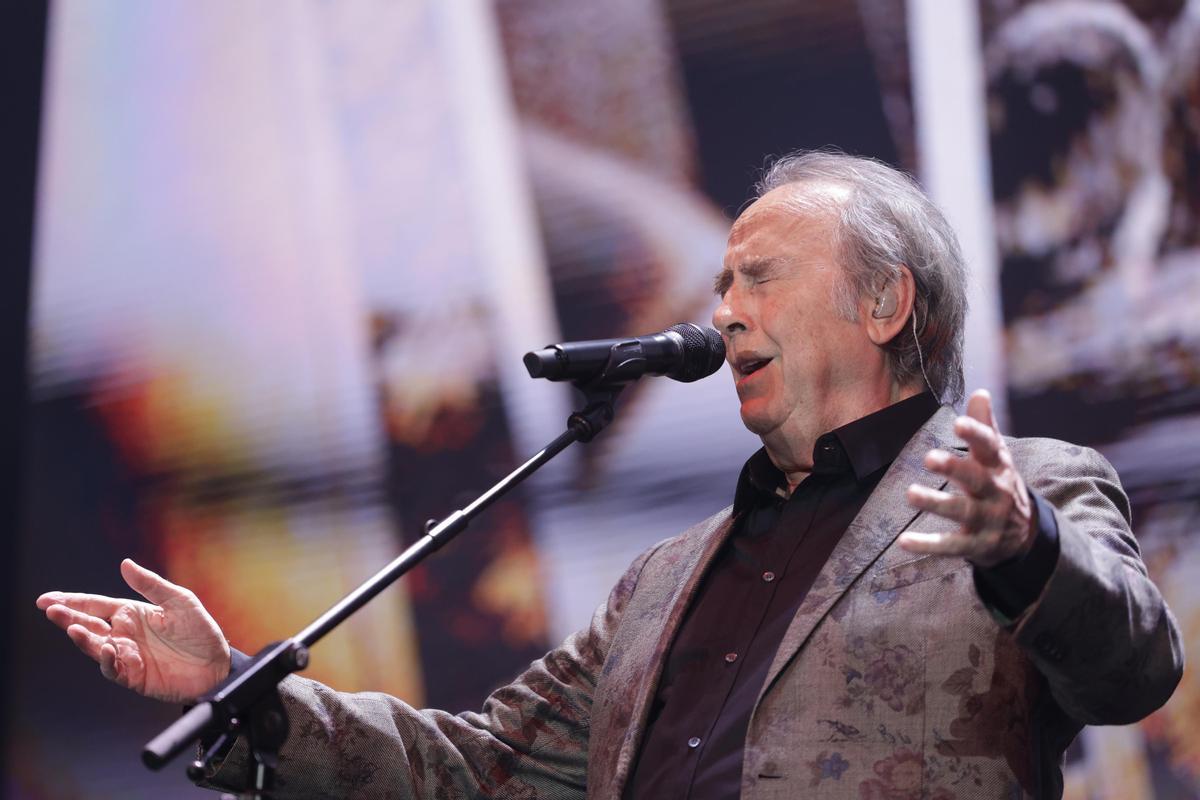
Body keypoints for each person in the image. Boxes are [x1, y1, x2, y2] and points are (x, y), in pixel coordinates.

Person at [38, 151, 1183, 799]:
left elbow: (1132, 667)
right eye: (721, 280)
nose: (723, 307)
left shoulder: (1030, 486)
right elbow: (476, 769)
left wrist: (1023, 541)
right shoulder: (661, 580)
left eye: (762, 276)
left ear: (885, 304)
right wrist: (239, 684)